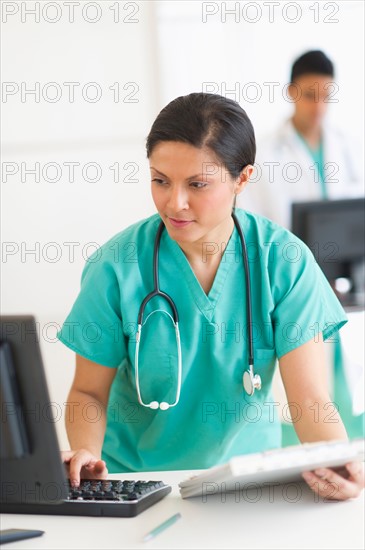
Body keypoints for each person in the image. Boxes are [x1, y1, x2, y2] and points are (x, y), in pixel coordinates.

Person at [58, 92, 364, 501]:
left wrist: (335, 463)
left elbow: (310, 399)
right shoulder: (116, 265)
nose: (175, 202)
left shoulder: (284, 261)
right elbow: (88, 393)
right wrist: (86, 453)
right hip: (136, 483)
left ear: (242, 178)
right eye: (160, 180)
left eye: (197, 184)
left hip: (246, 481)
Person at [238, 50, 363, 228]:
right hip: (284, 253)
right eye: (310, 96)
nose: (319, 107)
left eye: (325, 97)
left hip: (343, 254)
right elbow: (250, 220)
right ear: (291, 91)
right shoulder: (262, 152)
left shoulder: (348, 146)